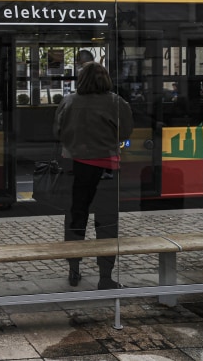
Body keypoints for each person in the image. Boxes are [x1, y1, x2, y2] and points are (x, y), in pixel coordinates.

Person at [53, 62, 133, 290]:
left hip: (75, 167)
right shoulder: (117, 102)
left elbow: (56, 132)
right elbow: (126, 132)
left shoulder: (68, 101)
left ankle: (74, 270)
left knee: (76, 219)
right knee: (107, 223)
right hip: (107, 169)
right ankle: (105, 276)